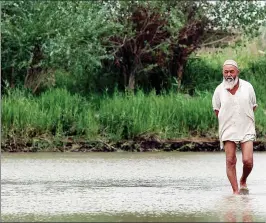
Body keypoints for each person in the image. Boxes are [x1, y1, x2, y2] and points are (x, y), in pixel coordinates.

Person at [212, 59, 257, 195]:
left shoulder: (248, 87)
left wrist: (242, 118)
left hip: (246, 126)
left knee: (247, 161)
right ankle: (236, 192)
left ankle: (243, 179)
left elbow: (253, 106)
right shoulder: (219, 90)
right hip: (228, 127)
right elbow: (217, 110)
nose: (229, 74)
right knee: (230, 160)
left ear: (237, 72)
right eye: (226, 72)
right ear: (223, 73)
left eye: (231, 71)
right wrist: (229, 120)